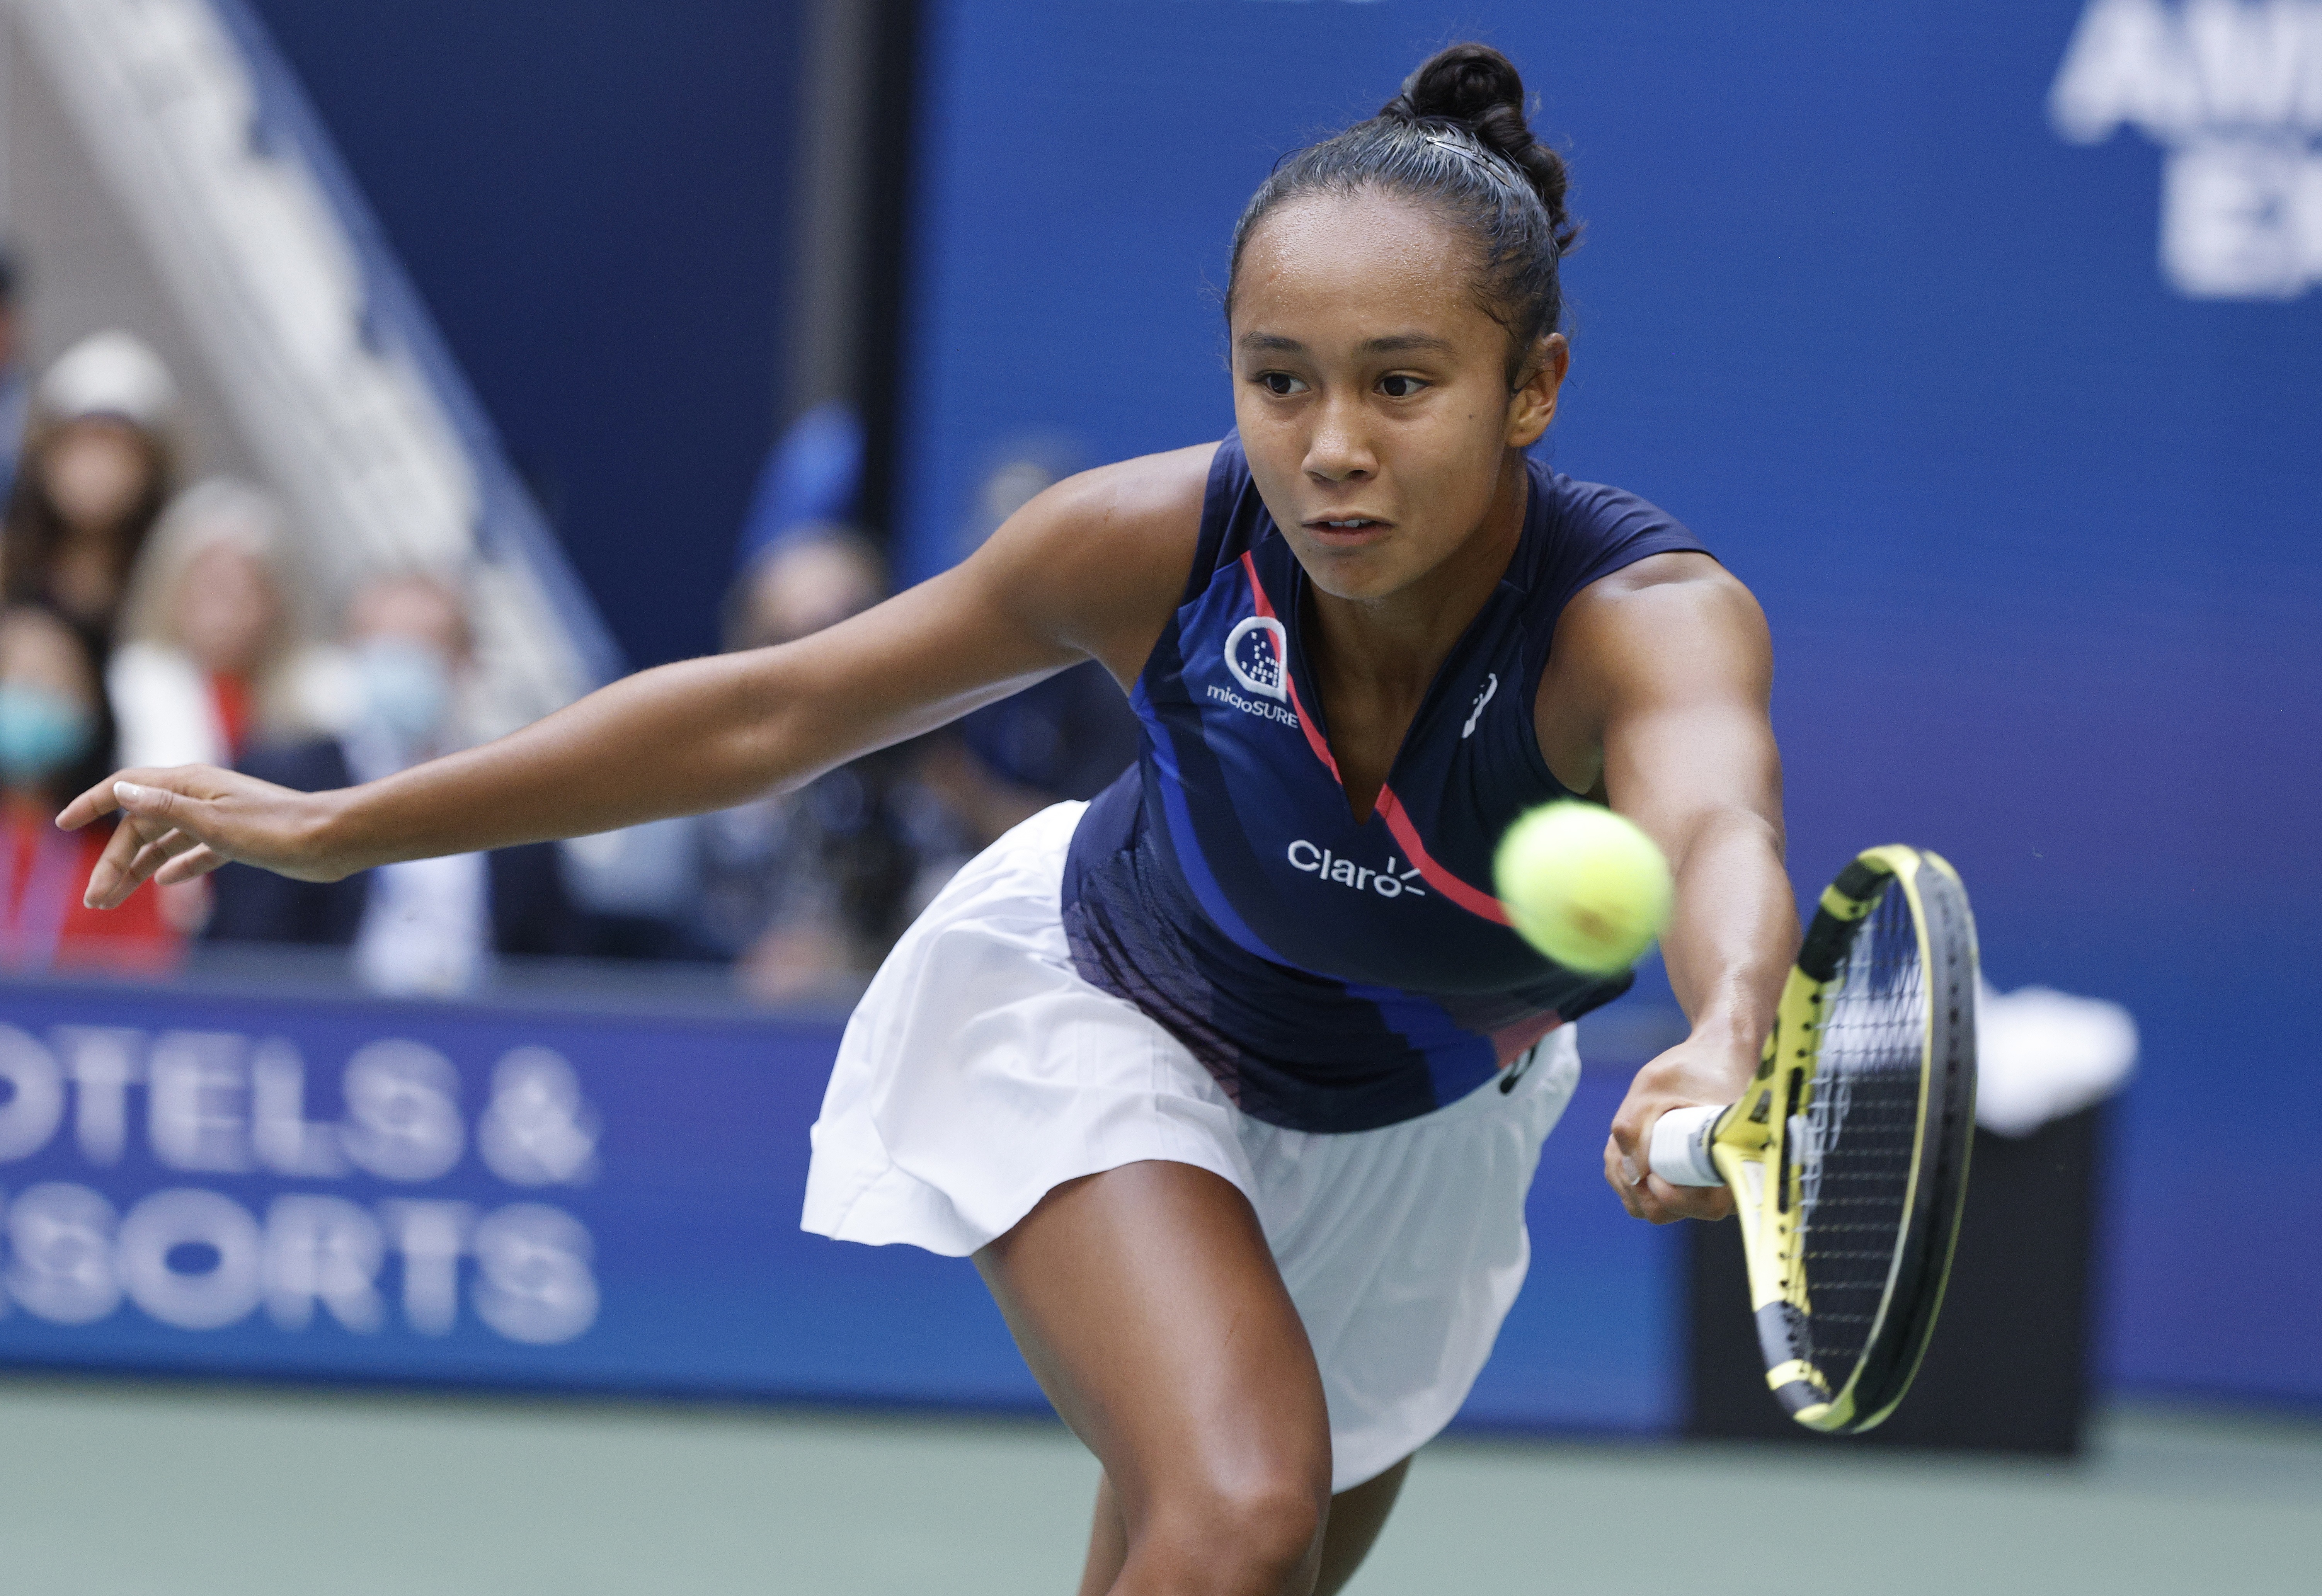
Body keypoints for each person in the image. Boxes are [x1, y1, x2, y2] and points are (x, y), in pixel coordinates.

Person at [65, 46, 1791, 1595]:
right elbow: (774, 706)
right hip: (1113, 1010)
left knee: (1212, 1560)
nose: (1329, 445)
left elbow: (1718, 831)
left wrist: (1721, 1036)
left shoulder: (1640, 621)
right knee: (1241, 1505)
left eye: (1400, 385)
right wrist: (342, 819)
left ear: (1533, 386)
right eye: (1280, 381)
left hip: (1419, 1125)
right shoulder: (1146, 542)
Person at [201, 570, 570, 994]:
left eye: (423, 646)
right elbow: (246, 953)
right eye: (383, 646)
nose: (400, 664)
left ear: (467, 660)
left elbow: (555, 967)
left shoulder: (521, 798)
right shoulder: (285, 783)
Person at [107, 476, 337, 771]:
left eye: (245, 593)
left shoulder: (324, 688)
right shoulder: (138, 678)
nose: (225, 614)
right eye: (211, 590)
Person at [0, 605, 174, 971]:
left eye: (51, 678)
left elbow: (148, 991)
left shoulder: (128, 862)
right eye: (9, 673)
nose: (29, 689)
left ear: (93, 707)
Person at [0, 331, 178, 642]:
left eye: (119, 452)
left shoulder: (174, 590)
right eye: (82, 445)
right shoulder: (8, 564)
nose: (98, 470)